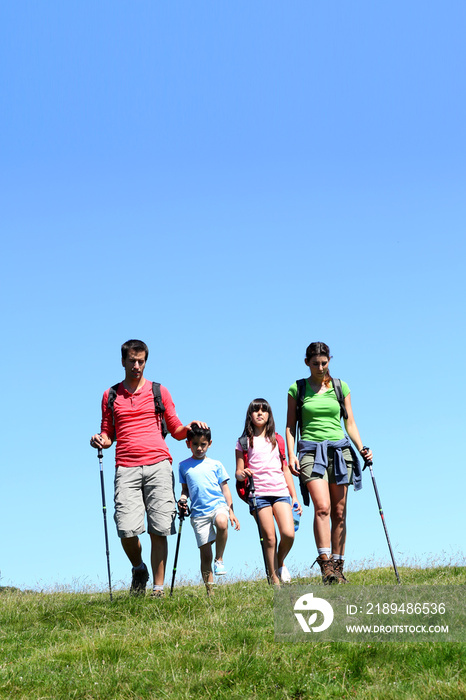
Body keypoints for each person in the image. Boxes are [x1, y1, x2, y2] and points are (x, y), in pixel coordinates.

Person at [90, 339, 207, 598]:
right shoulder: (110, 395)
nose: (136, 366)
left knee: (160, 527)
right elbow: (108, 434)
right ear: (122, 361)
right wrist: (100, 439)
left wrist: (190, 428)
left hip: (158, 464)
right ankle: (138, 568)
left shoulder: (159, 391)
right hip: (126, 466)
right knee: (126, 528)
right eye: (131, 360)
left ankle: (158, 589)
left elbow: (175, 428)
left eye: (141, 361)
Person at [286, 341, 372, 584]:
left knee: (339, 511)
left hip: (340, 451)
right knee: (322, 506)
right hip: (310, 452)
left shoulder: (340, 386)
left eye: (324, 363)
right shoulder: (297, 388)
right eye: (315, 364)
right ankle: (325, 566)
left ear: (329, 361)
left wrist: (362, 447)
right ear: (307, 363)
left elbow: (350, 423)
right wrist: (291, 454)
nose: (320, 368)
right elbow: (290, 426)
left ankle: (338, 566)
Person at [235, 399, 301, 585]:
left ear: (269, 415)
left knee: (288, 533)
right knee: (269, 538)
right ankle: (274, 580)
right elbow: (238, 472)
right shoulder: (243, 442)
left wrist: (294, 497)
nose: (260, 413)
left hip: (280, 491)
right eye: (256, 410)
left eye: (264, 410)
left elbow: (285, 469)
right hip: (259, 494)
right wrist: (242, 474)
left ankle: (279, 563)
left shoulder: (277, 439)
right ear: (250, 415)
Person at [178, 424, 240, 595]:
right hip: (198, 513)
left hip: (218, 505)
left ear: (209, 444)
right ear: (188, 444)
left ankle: (219, 559)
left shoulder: (216, 464)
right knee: (205, 554)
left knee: (222, 522)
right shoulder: (183, 466)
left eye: (203, 444)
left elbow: (225, 488)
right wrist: (182, 499)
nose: (199, 448)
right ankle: (210, 592)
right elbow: (185, 490)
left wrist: (231, 510)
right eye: (195, 444)